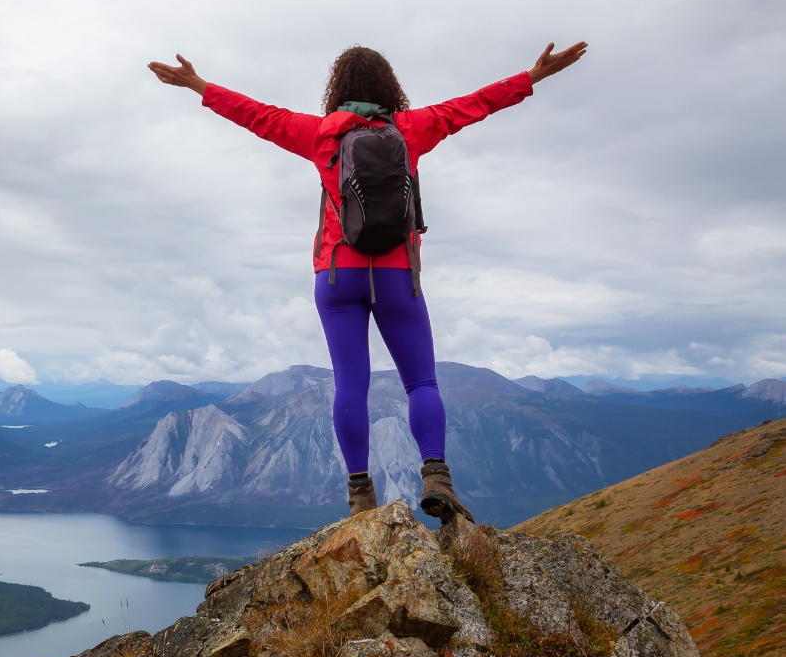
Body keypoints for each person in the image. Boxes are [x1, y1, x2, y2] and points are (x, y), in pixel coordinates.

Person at [148, 42, 587, 523]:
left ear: (337, 88)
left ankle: (361, 495)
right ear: (389, 87)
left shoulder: (319, 134)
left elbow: (257, 115)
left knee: (349, 385)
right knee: (420, 381)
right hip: (398, 274)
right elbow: (475, 104)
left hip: (338, 275)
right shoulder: (412, 128)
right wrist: (532, 76)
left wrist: (199, 86)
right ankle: (436, 476)